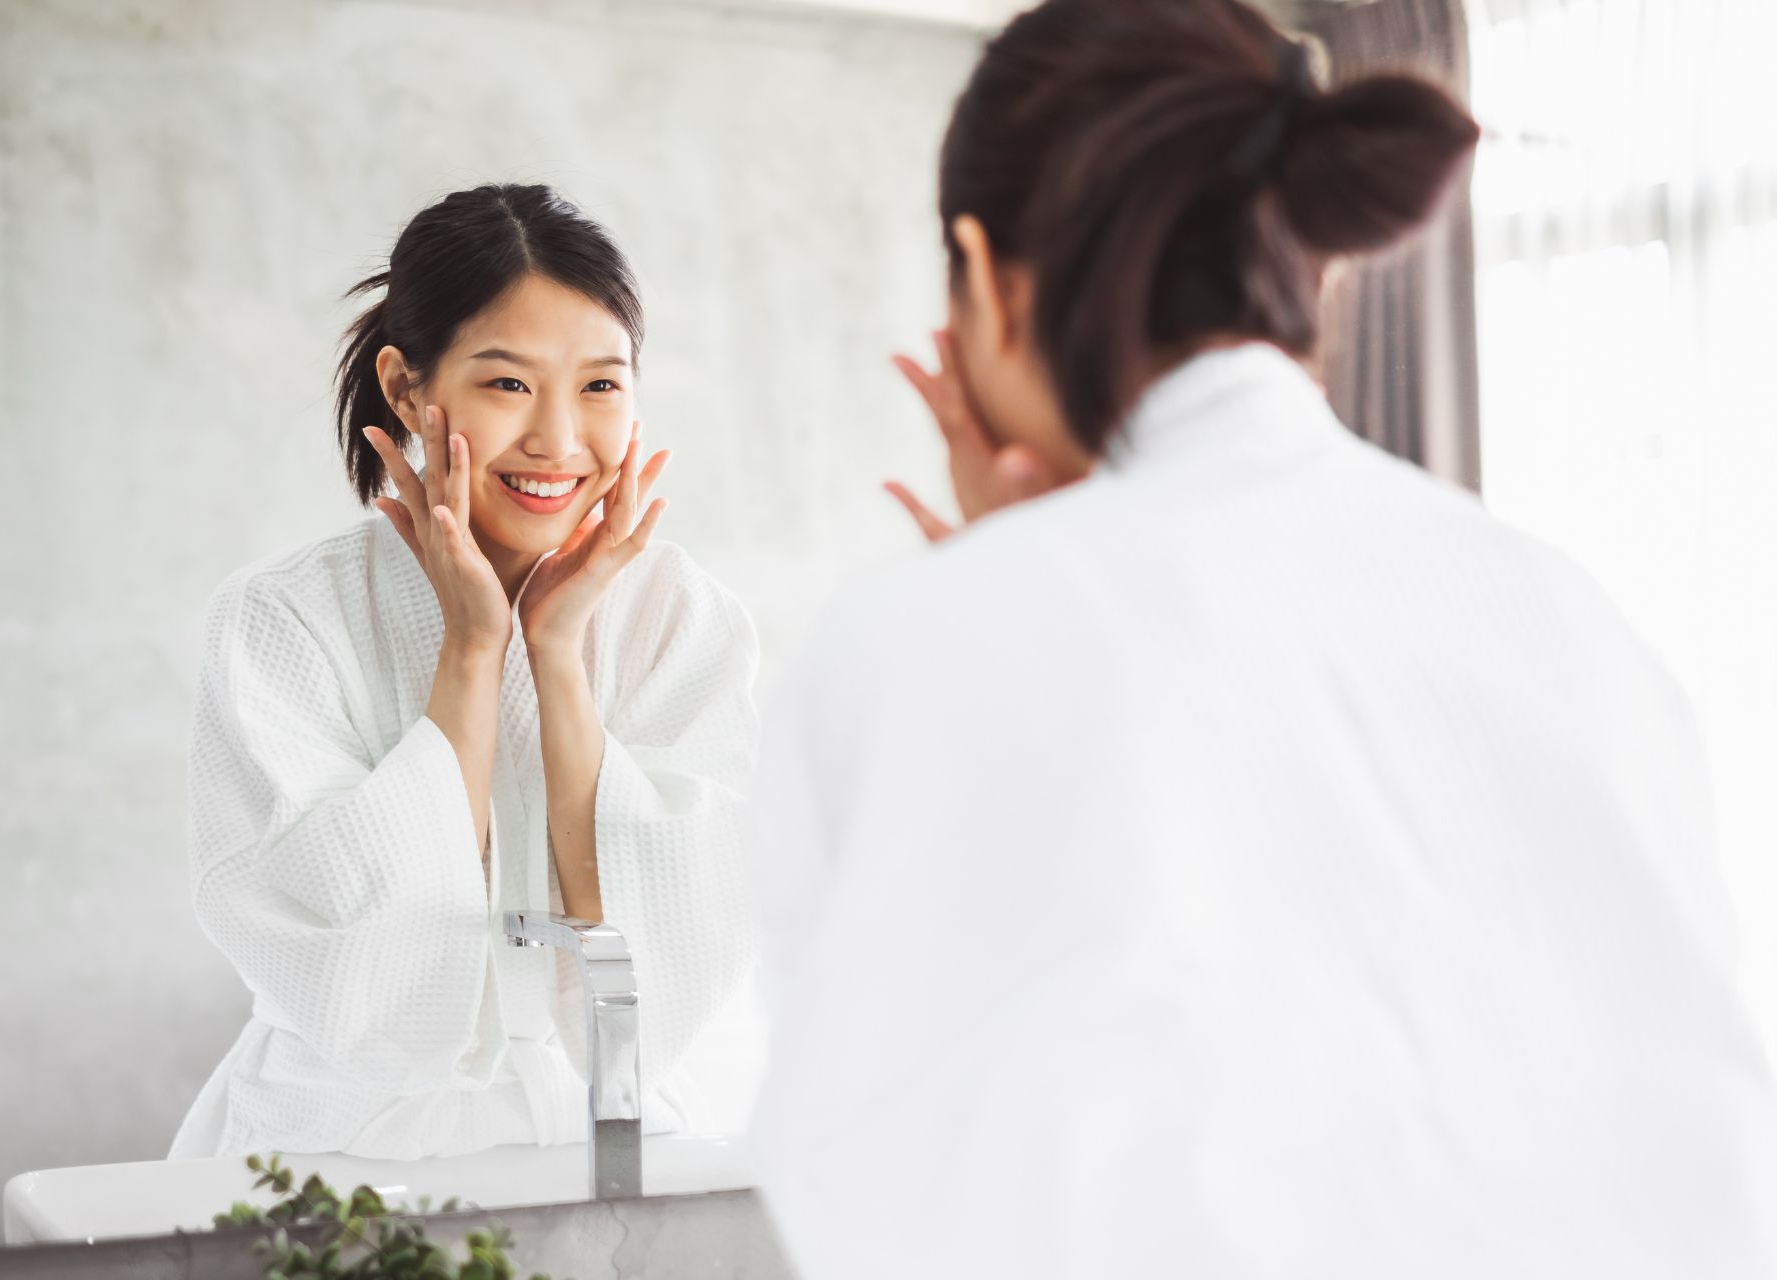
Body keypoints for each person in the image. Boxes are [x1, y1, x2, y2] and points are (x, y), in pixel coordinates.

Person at [746, 1, 1777, 1275]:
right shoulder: (1563, 607)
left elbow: (881, 1180)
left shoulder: (925, 643)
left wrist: (1021, 577)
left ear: (983, 275)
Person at [169, 184, 760, 1161]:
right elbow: (354, 973)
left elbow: (683, 956)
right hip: (348, 1142)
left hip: (632, 1127)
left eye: (601, 386)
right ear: (408, 389)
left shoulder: (683, 615)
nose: (560, 442)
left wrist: (558, 652)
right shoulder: (282, 619)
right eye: (509, 384)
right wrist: (475, 648)